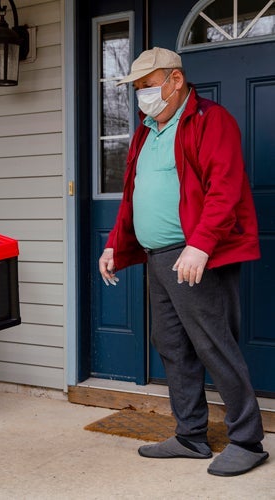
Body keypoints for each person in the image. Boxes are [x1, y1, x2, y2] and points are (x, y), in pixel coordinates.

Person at [98, 47, 268, 477]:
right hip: (159, 257)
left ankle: (247, 440)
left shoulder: (212, 121)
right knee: (171, 345)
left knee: (214, 344)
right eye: (136, 89)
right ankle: (191, 435)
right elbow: (133, 195)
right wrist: (115, 245)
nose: (141, 96)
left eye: (147, 86)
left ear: (175, 81)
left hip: (194, 255)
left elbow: (224, 188)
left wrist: (202, 244)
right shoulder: (146, 131)